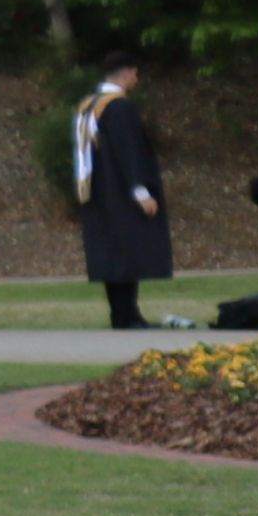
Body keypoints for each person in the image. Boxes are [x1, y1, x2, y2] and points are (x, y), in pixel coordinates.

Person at [73, 55, 169, 330]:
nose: (137, 80)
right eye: (136, 74)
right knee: (128, 253)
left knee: (112, 254)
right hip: (120, 191)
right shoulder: (119, 107)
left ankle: (120, 314)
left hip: (97, 190)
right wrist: (141, 192)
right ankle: (129, 316)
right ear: (126, 74)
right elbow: (129, 151)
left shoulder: (87, 105)